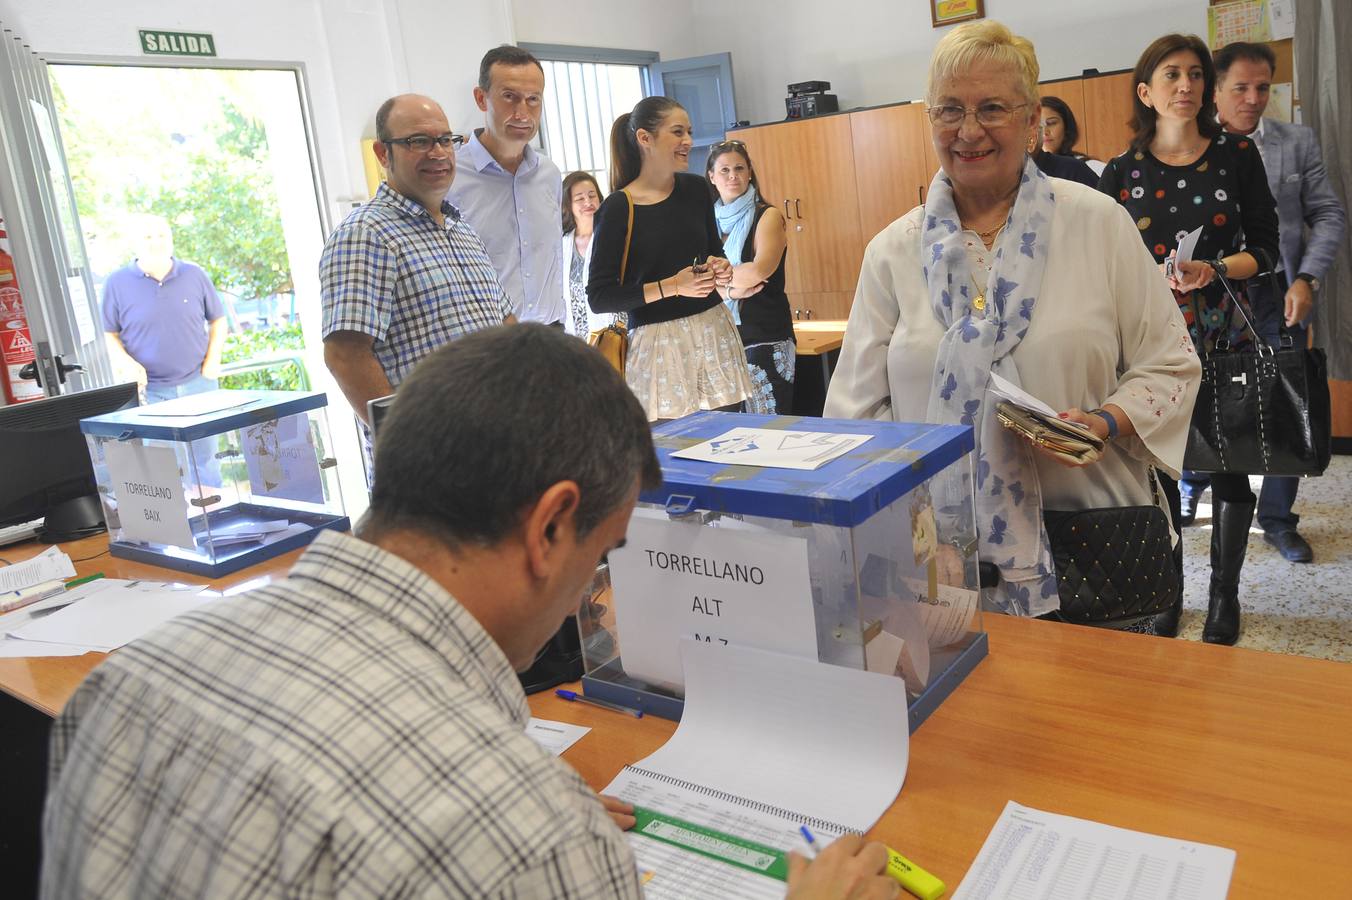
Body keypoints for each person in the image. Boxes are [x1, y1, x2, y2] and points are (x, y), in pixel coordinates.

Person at [40, 323, 898, 900]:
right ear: (551, 525)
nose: (593, 592)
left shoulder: (132, 682)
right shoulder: (532, 838)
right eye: (603, 554)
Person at [824, 21, 1200, 627]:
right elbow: (854, 417)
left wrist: (1105, 421)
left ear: (1031, 123)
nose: (968, 130)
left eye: (992, 108)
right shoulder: (892, 252)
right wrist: (918, 529)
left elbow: (1172, 365)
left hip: (1094, 546)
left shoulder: (1097, 223)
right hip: (936, 563)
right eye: (949, 110)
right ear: (929, 122)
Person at [1098, 33, 1281, 645]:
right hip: (1150, 341)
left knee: (1229, 467)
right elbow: (1100, 261)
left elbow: (1267, 248)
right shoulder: (1122, 172)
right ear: (1146, 91)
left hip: (1223, 334)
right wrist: (1146, 277)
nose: (1186, 85)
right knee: (1160, 468)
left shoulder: (1236, 155)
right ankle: (1168, 592)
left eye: (1196, 74)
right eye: (1171, 74)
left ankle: (1223, 595)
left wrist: (1216, 270)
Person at [1184, 40, 1346, 563]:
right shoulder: (1189, 144)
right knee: (1199, 395)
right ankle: (1195, 483)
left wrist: (1308, 280)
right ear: (1216, 90)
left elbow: (1327, 215)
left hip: (1279, 295)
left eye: (1263, 88)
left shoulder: (1295, 143)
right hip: (1206, 300)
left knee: (1286, 403)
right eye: (1241, 88)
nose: (1253, 98)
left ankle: (1277, 518)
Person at [320, 93, 512, 439]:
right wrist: (412, 443)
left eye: (445, 140)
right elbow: (345, 356)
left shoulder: (460, 228)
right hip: (434, 459)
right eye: (418, 141)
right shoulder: (365, 235)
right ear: (383, 153)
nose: (437, 152)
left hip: (499, 443)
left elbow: (504, 322)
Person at [587, 97, 754, 421]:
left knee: (728, 444)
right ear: (645, 139)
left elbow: (712, 253)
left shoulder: (695, 189)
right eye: (677, 132)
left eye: (689, 131)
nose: (688, 141)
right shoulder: (619, 207)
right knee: (673, 456)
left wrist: (719, 267)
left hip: (713, 330)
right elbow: (599, 296)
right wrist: (672, 286)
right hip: (658, 344)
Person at [447, 45, 565, 327]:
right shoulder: (449, 178)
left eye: (533, 99)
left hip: (550, 335)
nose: (523, 112)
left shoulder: (549, 174)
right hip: (487, 345)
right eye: (510, 97)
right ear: (481, 98)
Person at [706, 139, 796, 414]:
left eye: (739, 168)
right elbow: (698, 282)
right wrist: (732, 289)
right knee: (730, 436)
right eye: (724, 170)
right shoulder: (707, 223)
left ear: (749, 173)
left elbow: (759, 272)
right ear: (711, 176)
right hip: (721, 341)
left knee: (769, 430)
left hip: (765, 336)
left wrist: (717, 279)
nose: (733, 176)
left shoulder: (767, 216)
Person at [101, 213, 226, 404]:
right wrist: (128, 365)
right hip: (149, 392)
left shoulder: (194, 274)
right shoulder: (116, 283)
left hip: (200, 385)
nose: (156, 242)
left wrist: (213, 360)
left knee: (207, 435)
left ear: (171, 240)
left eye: (162, 236)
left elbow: (218, 320)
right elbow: (109, 335)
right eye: (148, 237)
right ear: (135, 243)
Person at [561, 170, 623, 338]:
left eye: (592, 195)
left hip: (612, 335)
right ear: (568, 205)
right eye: (580, 198)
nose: (588, 202)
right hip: (575, 339)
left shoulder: (613, 236)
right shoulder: (562, 245)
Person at [1039, 95, 1106, 175]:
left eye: (1052, 123)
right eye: (1038, 126)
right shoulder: (1026, 173)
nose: (1045, 132)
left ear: (1066, 126)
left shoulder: (1091, 166)